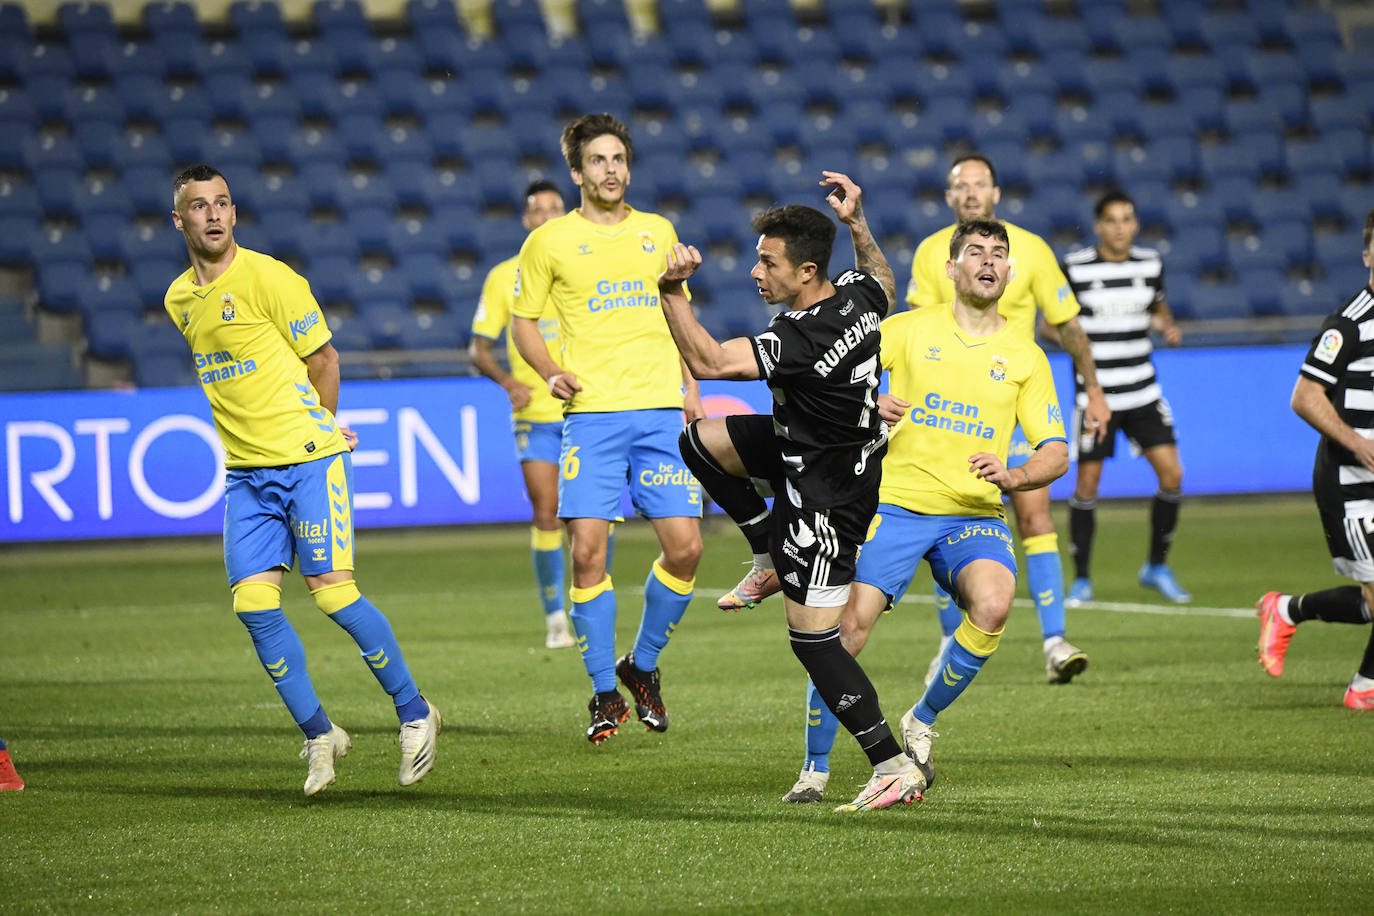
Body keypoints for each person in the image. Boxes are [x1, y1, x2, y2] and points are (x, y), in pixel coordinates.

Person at [164, 164, 441, 796]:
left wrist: (324, 428)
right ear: (178, 220)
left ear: (235, 213)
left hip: (309, 461)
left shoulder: (271, 278)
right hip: (245, 476)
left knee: (333, 594)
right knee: (253, 606)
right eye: (199, 206)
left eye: (223, 204)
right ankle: (320, 734)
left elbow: (324, 359)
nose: (213, 215)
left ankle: (414, 710)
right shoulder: (179, 299)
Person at [783, 218, 1069, 804]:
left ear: (1009, 272)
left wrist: (1015, 475)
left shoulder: (1025, 356)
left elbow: (1056, 451)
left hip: (974, 514)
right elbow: (832, 373)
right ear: (951, 267)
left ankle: (920, 720)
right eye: (975, 252)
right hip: (894, 505)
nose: (988, 261)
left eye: (998, 254)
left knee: (993, 603)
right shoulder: (908, 330)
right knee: (844, 634)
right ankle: (814, 770)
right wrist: (868, 398)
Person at [667, 171, 924, 812]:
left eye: (768, 262)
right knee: (702, 442)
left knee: (813, 641)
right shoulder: (859, 299)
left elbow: (708, 362)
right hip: (807, 452)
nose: (757, 272)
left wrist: (671, 292)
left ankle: (892, 764)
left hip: (826, 495)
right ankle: (765, 552)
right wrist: (858, 223)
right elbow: (885, 283)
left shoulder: (800, 337)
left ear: (806, 272)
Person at [512, 114, 704, 744]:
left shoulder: (658, 232)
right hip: (592, 417)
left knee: (687, 549)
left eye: (619, 158)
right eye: (597, 160)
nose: (611, 169)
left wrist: (693, 389)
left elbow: (679, 317)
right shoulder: (549, 243)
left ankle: (640, 666)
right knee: (587, 551)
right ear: (577, 172)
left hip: (658, 412)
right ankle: (602, 693)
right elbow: (524, 322)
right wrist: (549, 371)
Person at [906, 154, 1107, 685]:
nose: (971, 193)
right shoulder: (932, 253)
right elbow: (916, 330)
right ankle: (950, 640)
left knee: (1035, 516)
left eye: (980, 184)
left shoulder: (1031, 250)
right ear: (949, 197)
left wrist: (1095, 391)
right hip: (951, 412)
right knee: (943, 522)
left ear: (996, 192)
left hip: (1015, 405)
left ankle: (1055, 642)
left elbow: (1067, 327)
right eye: (960, 186)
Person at [1255, 208, 1374, 711]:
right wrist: (1359, 442)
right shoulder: (1349, 324)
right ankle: (1363, 684)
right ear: (1369, 254)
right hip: (1351, 483)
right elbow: (1305, 396)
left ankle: (1289, 612)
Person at [1057, 189, 1189, 605]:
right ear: (1098, 226)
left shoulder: (1150, 263)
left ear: (1135, 224)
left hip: (1142, 388)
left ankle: (1156, 565)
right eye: (1111, 220)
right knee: (1088, 483)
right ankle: (1081, 579)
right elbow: (1052, 324)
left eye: (1127, 219)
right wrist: (1076, 340)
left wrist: (1165, 326)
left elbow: (1157, 305)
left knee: (1172, 475)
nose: (1120, 227)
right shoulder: (1076, 268)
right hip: (1096, 394)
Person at [469, 179, 578, 649]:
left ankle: (588, 603)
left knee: (590, 514)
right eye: (539, 210)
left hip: (586, 409)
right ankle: (556, 617)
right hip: (536, 412)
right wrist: (509, 381)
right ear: (527, 219)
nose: (548, 216)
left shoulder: (583, 267)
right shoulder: (503, 276)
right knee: (547, 509)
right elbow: (478, 349)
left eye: (557, 208)